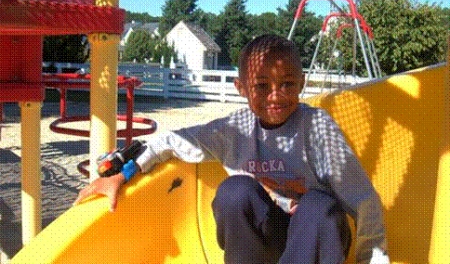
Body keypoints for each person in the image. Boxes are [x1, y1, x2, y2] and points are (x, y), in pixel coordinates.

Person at [74, 34, 389, 264]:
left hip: (317, 241)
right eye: (262, 86)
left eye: (288, 84)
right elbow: (171, 141)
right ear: (241, 89)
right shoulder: (234, 129)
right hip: (272, 240)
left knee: (319, 206)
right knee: (235, 191)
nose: (276, 96)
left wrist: (371, 260)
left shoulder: (317, 127)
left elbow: (363, 200)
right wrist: (124, 172)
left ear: (302, 83)